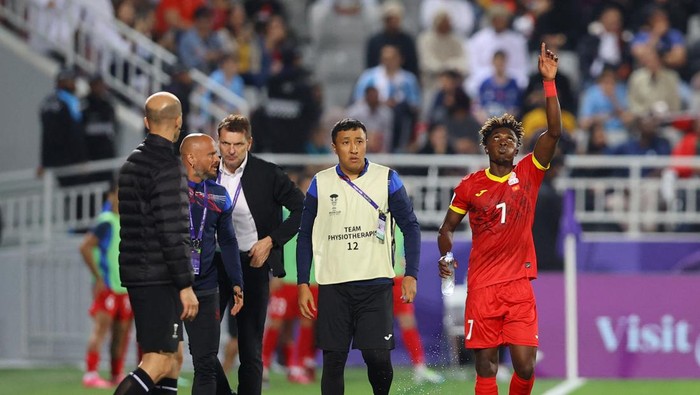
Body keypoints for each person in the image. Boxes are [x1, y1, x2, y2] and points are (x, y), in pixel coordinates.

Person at [436, 43, 561, 395]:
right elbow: (446, 229)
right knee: (486, 365)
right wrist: (446, 257)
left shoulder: (530, 173)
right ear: (487, 147)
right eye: (496, 138)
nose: (504, 141)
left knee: (524, 365)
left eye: (510, 138)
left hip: (518, 287)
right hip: (483, 287)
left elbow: (553, 133)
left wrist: (549, 83)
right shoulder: (470, 186)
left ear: (517, 147)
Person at [296, 118, 421, 395]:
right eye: (346, 142)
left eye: (359, 141)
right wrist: (303, 282)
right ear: (334, 147)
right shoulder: (320, 182)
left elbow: (410, 226)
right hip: (333, 286)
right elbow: (305, 235)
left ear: (366, 144)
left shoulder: (387, 178)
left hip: (375, 285)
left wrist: (411, 273)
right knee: (333, 361)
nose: (353, 149)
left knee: (377, 357)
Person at [113, 91, 199, 395]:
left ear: (147, 121)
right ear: (178, 121)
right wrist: (185, 285)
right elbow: (171, 230)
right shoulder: (167, 166)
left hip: (141, 271)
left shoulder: (132, 163)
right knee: (159, 361)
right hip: (159, 275)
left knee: (173, 358)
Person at [215, 114, 304, 395]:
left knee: (250, 349)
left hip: (252, 263)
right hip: (214, 265)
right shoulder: (207, 170)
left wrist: (271, 241)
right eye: (225, 143)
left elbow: (303, 210)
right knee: (201, 343)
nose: (230, 150)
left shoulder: (268, 174)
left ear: (249, 143)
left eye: (238, 144)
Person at [179, 133, 245, 394]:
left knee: (205, 363)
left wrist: (237, 282)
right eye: (211, 154)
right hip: (171, 286)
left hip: (206, 287)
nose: (218, 158)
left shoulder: (219, 195)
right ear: (191, 158)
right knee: (163, 361)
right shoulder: (168, 191)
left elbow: (228, 241)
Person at [79, 181, 133, 389]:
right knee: (101, 329)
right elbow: (85, 247)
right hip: (108, 287)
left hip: (125, 287)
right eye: (118, 196)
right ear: (110, 197)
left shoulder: (127, 221)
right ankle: (91, 373)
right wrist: (98, 278)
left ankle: (116, 374)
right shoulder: (107, 221)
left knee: (121, 333)